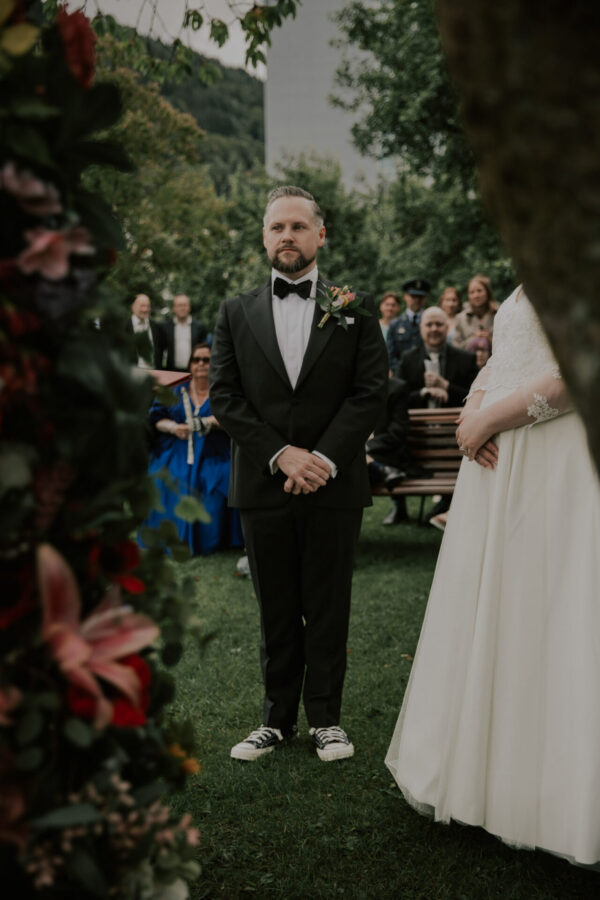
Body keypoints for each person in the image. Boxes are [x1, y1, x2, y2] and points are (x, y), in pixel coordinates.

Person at [386, 286, 600, 866]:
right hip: (496, 466)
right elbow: (503, 357)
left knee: (542, 609)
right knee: (492, 610)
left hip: (550, 460)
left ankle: (547, 796)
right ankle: (479, 777)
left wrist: (485, 422)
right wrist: (471, 416)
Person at [209, 185, 388, 763]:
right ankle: (275, 720)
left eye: (298, 226)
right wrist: (281, 454)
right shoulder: (234, 312)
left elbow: (369, 393)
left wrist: (323, 460)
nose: (287, 236)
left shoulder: (354, 308)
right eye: (276, 227)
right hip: (263, 483)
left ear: (320, 235)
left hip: (334, 483)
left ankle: (327, 721)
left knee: (329, 605)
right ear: (264, 237)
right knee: (276, 607)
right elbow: (225, 396)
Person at [143, 343, 243, 555]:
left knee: (218, 479)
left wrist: (209, 422)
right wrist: (173, 427)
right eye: (197, 360)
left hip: (213, 451)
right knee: (165, 476)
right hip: (177, 447)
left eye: (207, 360)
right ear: (190, 364)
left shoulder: (223, 390)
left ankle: (215, 538)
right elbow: (156, 418)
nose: (201, 364)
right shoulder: (175, 389)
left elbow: (235, 419)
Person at [382, 307, 478, 526]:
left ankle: (444, 505)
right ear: (421, 328)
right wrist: (423, 393)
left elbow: (477, 396)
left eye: (439, 324)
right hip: (416, 436)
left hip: (453, 438)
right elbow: (396, 398)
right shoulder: (408, 359)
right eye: (429, 324)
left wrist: (447, 387)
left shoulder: (465, 359)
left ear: (447, 327)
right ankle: (399, 507)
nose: (434, 329)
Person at [386, 277, 431, 376]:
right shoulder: (395, 325)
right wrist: (400, 372)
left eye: (420, 297)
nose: (417, 300)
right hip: (401, 376)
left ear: (425, 298)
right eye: (413, 296)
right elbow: (391, 355)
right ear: (405, 296)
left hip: (426, 374)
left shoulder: (431, 323)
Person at [163, 293, 208, 372]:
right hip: (172, 372)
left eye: (184, 305)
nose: (182, 308)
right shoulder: (166, 327)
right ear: (174, 308)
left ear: (189, 307)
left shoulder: (199, 327)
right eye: (179, 305)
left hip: (194, 371)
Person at [451, 274, 496, 349]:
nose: (476, 295)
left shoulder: (498, 315)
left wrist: (489, 340)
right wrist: (473, 340)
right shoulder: (460, 318)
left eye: (479, 291)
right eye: (472, 292)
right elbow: (455, 348)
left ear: (487, 292)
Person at [125, 293, 165, 369]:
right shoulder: (123, 327)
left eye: (148, 306)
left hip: (155, 372)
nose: (145, 309)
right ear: (133, 307)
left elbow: (161, 351)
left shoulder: (156, 327)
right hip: (132, 373)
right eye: (142, 306)